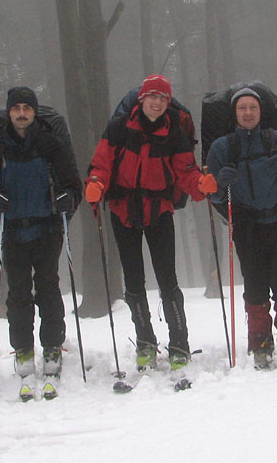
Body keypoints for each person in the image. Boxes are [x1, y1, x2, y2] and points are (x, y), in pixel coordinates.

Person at [84, 74, 218, 372]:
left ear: (167, 103)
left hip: (159, 210)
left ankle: (179, 343)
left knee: (168, 280)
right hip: (123, 211)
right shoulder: (119, 127)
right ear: (142, 98)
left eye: (162, 98)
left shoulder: (173, 132)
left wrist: (200, 186)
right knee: (133, 281)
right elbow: (102, 163)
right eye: (152, 96)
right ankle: (145, 342)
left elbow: (186, 170)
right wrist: (95, 185)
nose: (156, 103)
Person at [0, 86, 81, 400]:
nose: (22, 113)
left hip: (47, 226)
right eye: (16, 108)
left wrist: (68, 199)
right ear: (9, 112)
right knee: (18, 292)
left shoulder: (51, 144)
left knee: (48, 287)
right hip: (12, 230)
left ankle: (51, 347)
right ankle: (22, 348)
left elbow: (71, 183)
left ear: (34, 112)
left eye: (27, 108)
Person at [205, 87, 277, 369]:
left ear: (260, 111)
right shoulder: (223, 147)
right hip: (246, 224)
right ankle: (260, 342)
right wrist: (221, 184)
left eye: (252, 107)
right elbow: (212, 194)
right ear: (235, 113)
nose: (248, 113)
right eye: (242, 108)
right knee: (254, 284)